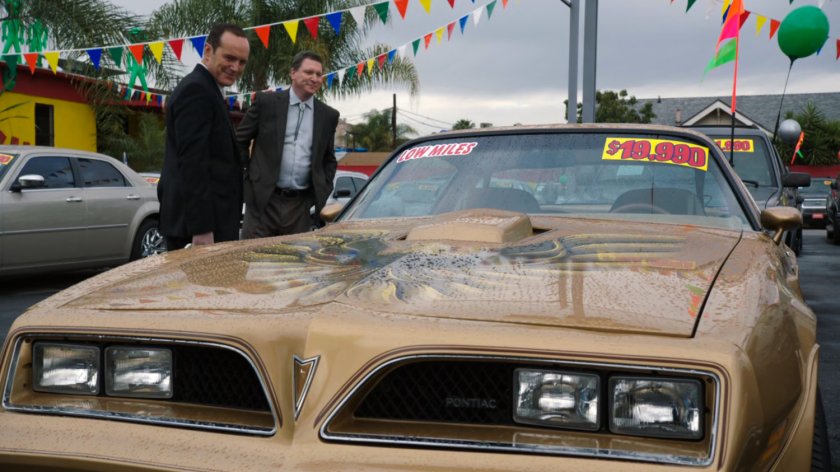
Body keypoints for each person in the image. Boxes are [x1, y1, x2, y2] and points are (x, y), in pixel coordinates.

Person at [158, 23, 250, 251]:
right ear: (208, 51)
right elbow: (192, 164)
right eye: (229, 58)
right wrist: (201, 231)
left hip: (209, 225)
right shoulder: (197, 91)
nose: (235, 67)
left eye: (242, 62)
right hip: (199, 232)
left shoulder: (207, 89)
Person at [236, 50, 340, 238]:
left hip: (300, 207)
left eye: (319, 74)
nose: (315, 78)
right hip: (262, 203)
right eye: (309, 72)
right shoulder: (266, 103)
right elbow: (239, 141)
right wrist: (248, 179)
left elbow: (329, 159)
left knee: (293, 264)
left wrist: (322, 190)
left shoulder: (328, 116)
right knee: (252, 261)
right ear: (293, 73)